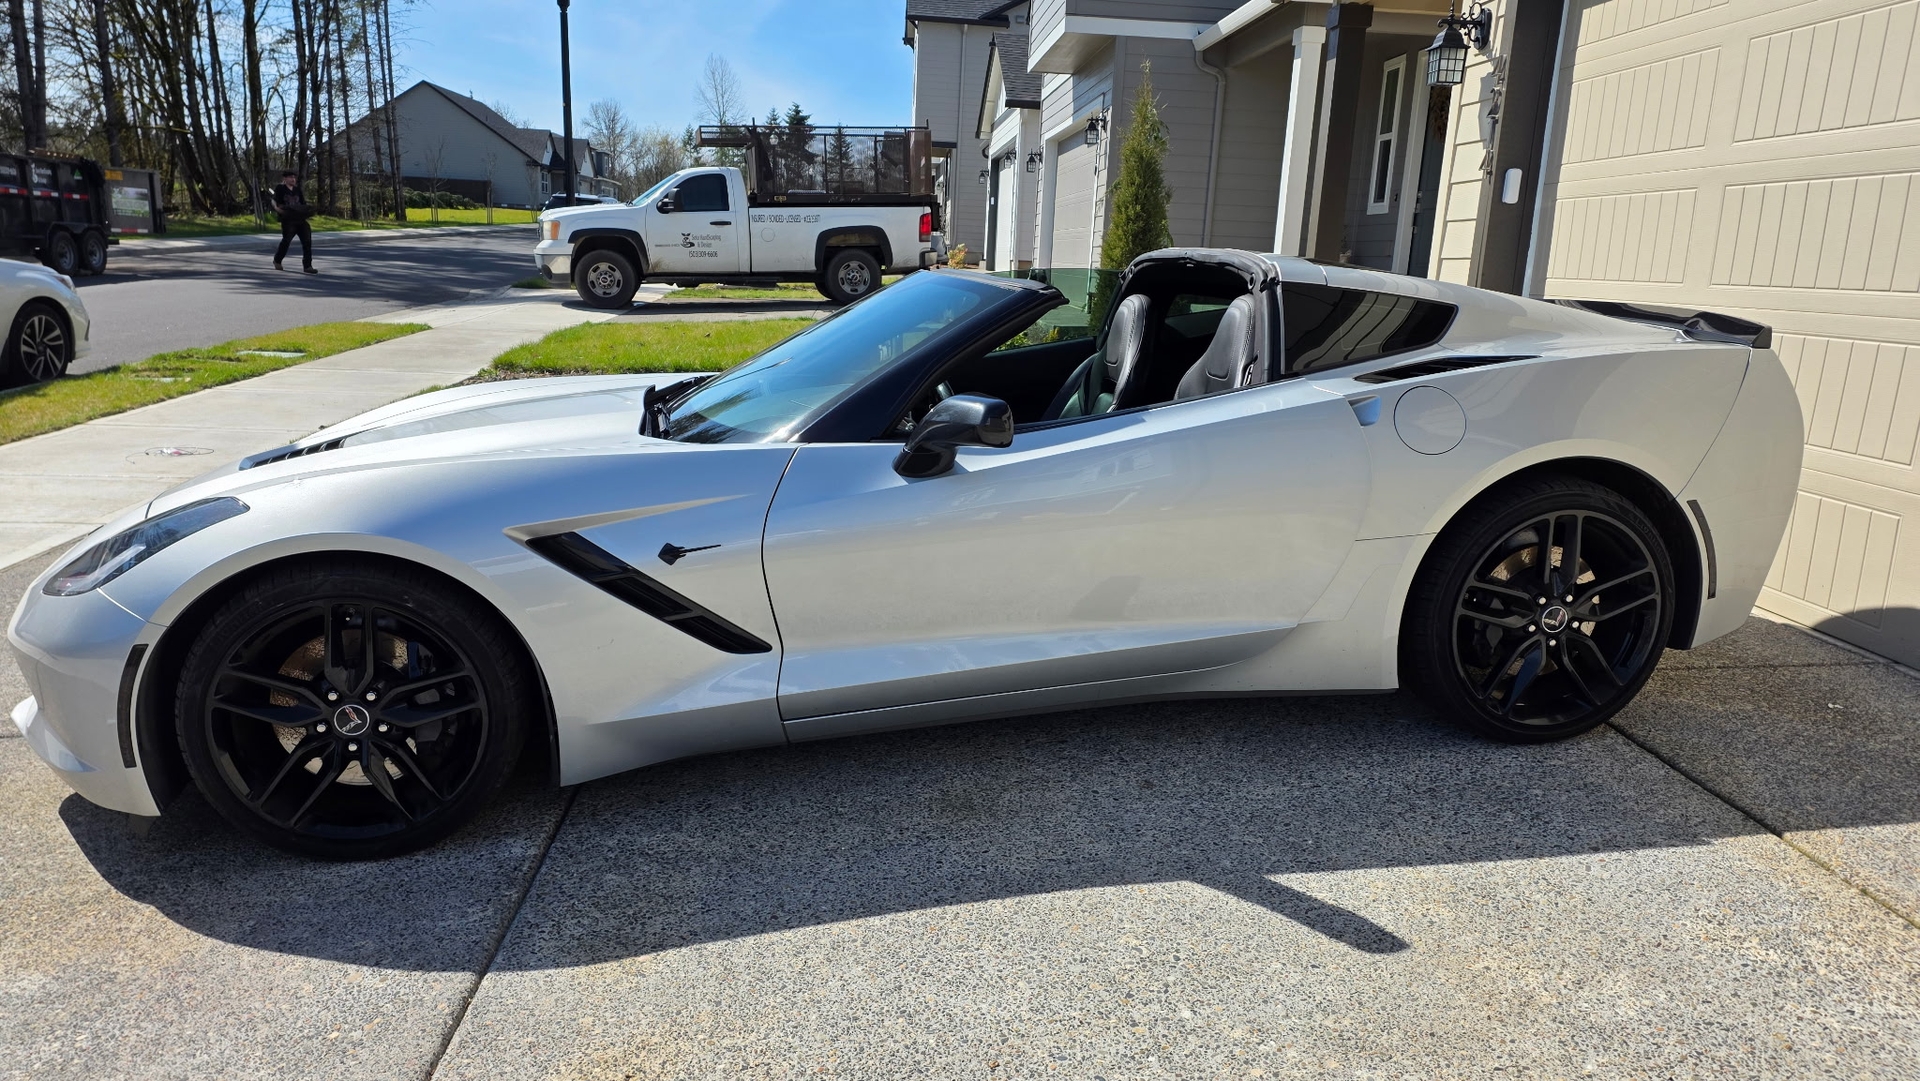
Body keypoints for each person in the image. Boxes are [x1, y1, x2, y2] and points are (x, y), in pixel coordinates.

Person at [271, 170, 317, 273]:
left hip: (300, 219)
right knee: (286, 241)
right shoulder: (280, 188)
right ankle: (277, 260)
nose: (293, 179)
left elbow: (302, 203)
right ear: (285, 178)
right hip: (288, 220)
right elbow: (274, 199)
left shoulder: (297, 190)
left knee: (307, 242)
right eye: (291, 177)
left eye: (294, 177)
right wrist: (276, 208)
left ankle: (307, 266)